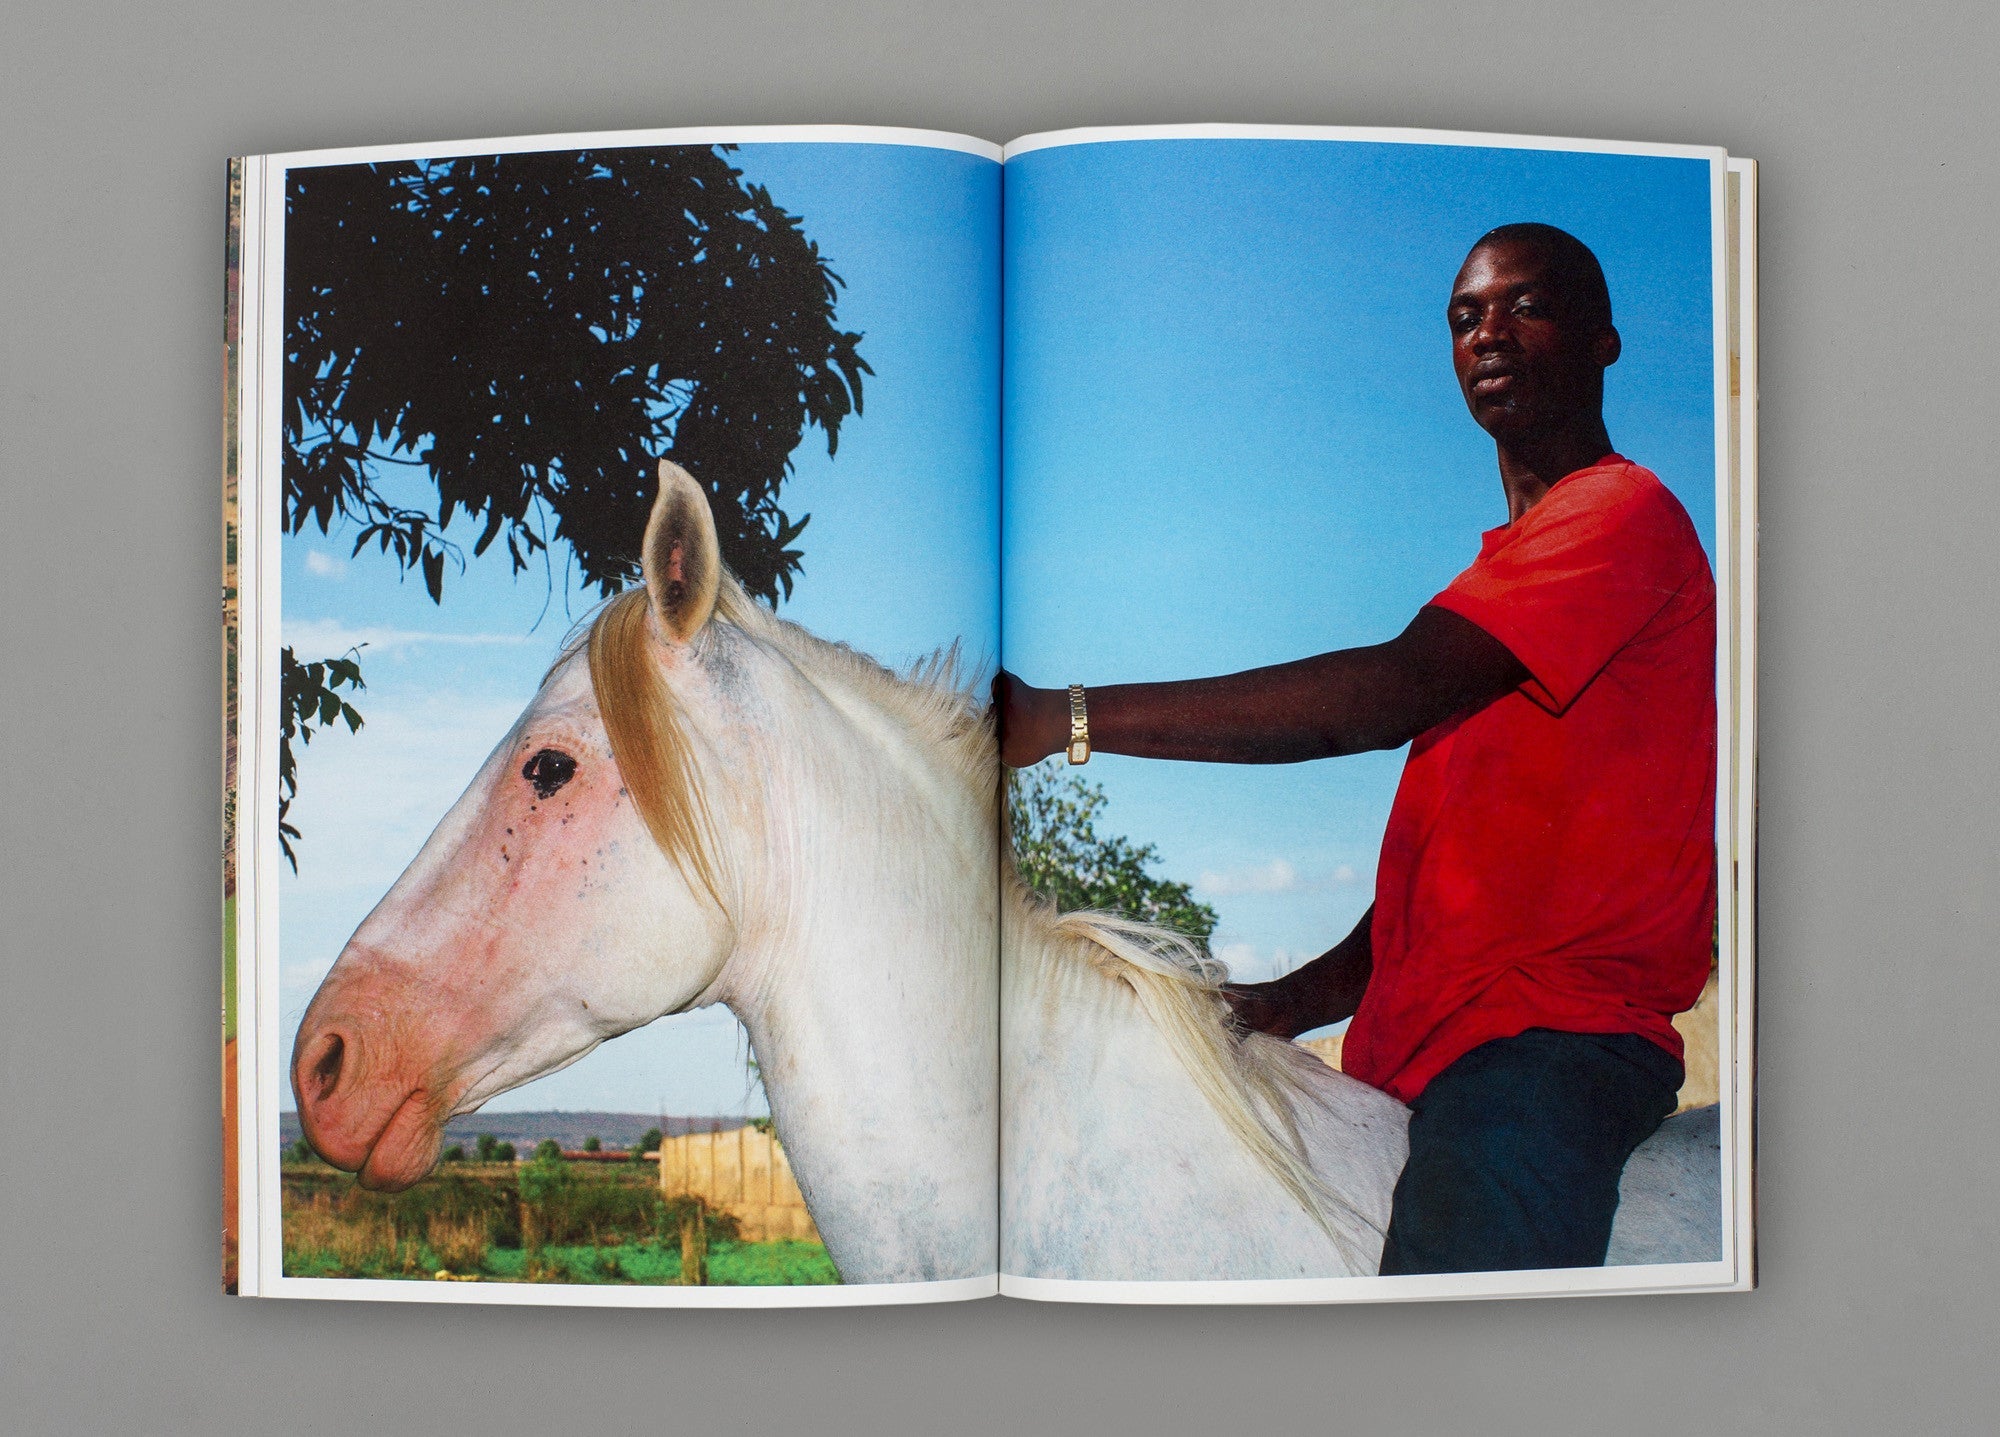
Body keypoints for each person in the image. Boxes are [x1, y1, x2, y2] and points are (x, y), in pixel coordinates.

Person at [995, 223, 1716, 1274]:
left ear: (1603, 340)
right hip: (1416, 1057)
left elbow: (1380, 698)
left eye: (1525, 306)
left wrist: (1062, 718)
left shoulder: (1621, 517)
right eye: (1464, 317)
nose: (1488, 333)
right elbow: (1446, 893)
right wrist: (1285, 1003)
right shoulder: (1497, 584)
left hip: (1548, 1050)